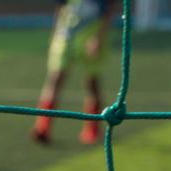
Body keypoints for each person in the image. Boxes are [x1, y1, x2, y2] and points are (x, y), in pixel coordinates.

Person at [31, 0, 115, 146]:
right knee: (55, 78)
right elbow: (60, 7)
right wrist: (54, 33)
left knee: (91, 82)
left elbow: (108, 9)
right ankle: (43, 127)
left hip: (90, 34)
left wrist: (99, 37)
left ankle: (92, 128)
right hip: (65, 36)